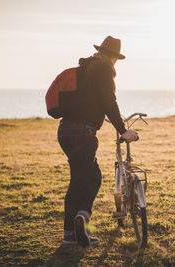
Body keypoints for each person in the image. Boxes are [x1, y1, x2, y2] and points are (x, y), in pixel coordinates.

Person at [57, 36, 138, 247]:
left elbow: (95, 101)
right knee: (91, 178)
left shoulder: (86, 67)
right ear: (114, 57)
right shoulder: (103, 69)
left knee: (80, 178)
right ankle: (81, 219)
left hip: (65, 130)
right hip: (83, 132)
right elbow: (109, 101)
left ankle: (70, 232)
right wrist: (123, 130)